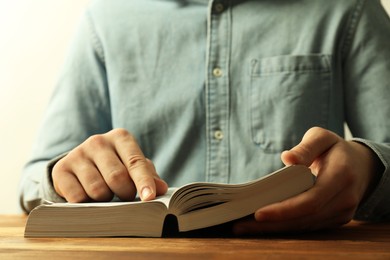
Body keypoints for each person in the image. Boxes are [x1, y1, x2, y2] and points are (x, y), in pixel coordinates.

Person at [19, 0, 390, 235]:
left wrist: (369, 167)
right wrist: (63, 175)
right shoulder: (106, 17)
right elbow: (34, 180)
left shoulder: (348, 8)